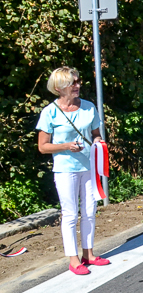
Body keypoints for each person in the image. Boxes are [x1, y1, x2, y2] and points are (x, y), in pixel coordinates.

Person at [36, 67, 110, 275]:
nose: (77, 86)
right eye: (72, 83)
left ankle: (89, 254)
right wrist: (66, 146)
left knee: (89, 211)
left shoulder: (88, 107)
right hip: (65, 169)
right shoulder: (49, 112)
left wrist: (98, 143)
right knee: (70, 214)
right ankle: (73, 259)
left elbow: (95, 134)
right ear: (59, 88)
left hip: (89, 166)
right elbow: (43, 147)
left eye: (78, 81)